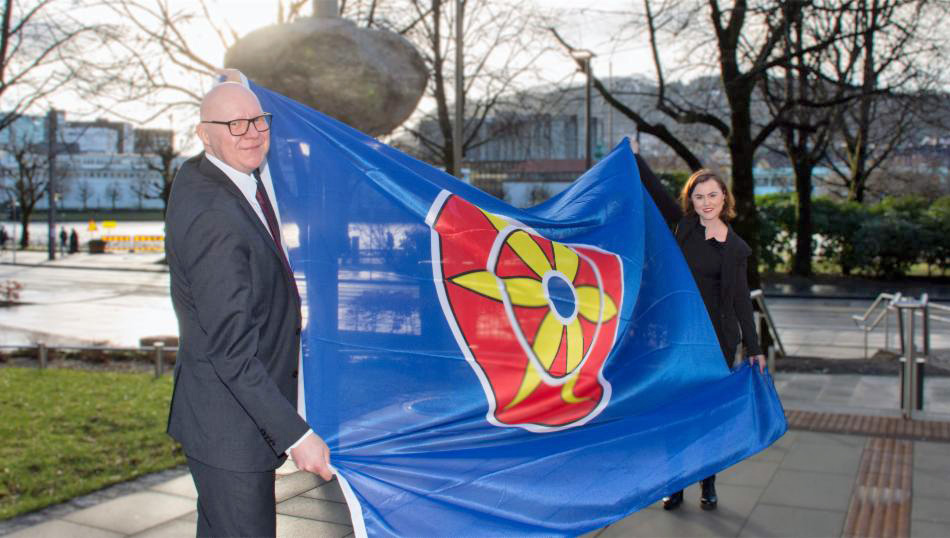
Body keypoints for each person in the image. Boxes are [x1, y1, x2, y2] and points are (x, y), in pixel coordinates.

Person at [164, 80, 332, 537]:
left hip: (225, 417)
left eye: (259, 121)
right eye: (235, 124)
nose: (253, 133)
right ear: (204, 134)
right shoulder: (215, 217)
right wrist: (297, 435)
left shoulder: (217, 176)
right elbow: (231, 351)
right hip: (229, 429)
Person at [636, 155, 766, 512]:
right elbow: (658, 195)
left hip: (719, 343)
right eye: (699, 197)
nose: (706, 202)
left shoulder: (736, 248)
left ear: (724, 198)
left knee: (708, 415)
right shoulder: (684, 229)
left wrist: (753, 348)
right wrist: (632, 157)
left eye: (712, 195)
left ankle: (708, 484)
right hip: (681, 338)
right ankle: (675, 483)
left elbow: (741, 301)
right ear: (691, 202)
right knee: (675, 412)